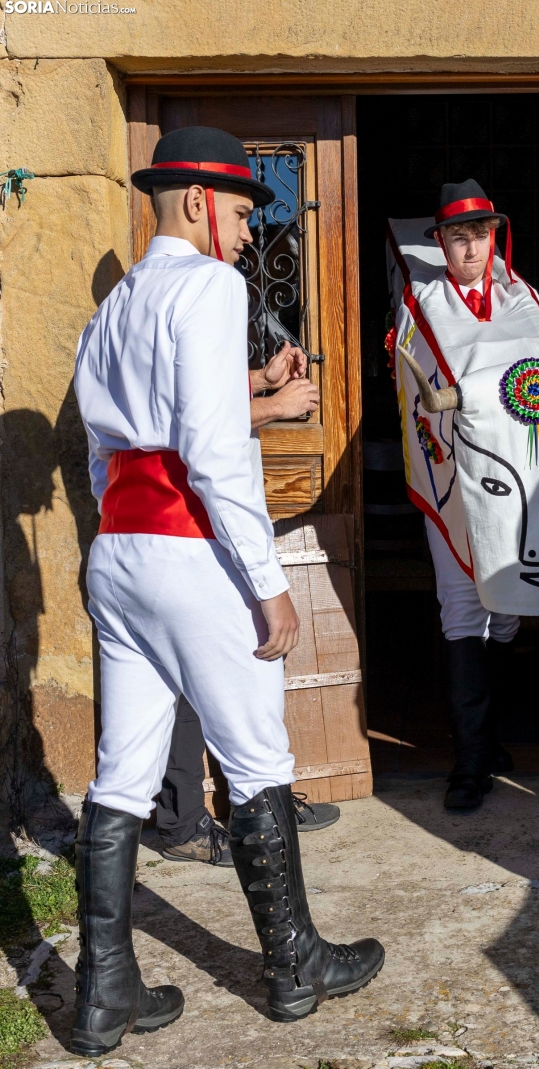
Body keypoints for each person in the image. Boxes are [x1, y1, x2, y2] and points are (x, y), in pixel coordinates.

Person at [72, 125, 384, 1056]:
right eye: (246, 214)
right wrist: (267, 584)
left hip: (121, 548)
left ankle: (103, 994)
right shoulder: (212, 285)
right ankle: (294, 967)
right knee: (256, 759)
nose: (251, 234)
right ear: (202, 202)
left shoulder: (119, 301)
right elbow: (212, 449)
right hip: (193, 553)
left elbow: (106, 448)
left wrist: (129, 528)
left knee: (120, 770)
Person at [388, 179, 539, 812]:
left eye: (480, 236)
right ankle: (469, 764)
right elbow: (418, 388)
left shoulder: (525, 299)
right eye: (458, 238)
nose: (471, 250)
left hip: (521, 479)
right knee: (464, 606)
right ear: (440, 243)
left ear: (496, 237)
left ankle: (491, 742)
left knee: (510, 607)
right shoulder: (423, 303)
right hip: (457, 478)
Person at [157, 352, 339, 868]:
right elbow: (186, 416)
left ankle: (259, 807)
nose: (237, 262)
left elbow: (202, 389)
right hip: (187, 522)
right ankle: (185, 823)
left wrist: (260, 380)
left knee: (234, 667)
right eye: (233, 259)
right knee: (193, 678)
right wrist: (275, 405)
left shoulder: (194, 295)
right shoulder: (192, 292)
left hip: (204, 523)